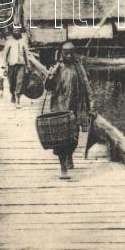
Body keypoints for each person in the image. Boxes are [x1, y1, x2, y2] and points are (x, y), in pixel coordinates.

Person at [44, 41, 94, 179]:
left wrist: (92, 104)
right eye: (66, 53)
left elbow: (87, 85)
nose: (69, 55)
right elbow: (48, 87)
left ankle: (69, 156)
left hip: (76, 108)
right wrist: (50, 76)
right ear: (61, 53)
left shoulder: (79, 67)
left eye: (71, 52)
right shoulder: (57, 68)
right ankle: (63, 168)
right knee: (61, 140)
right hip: (60, 108)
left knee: (74, 139)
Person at [3, 28, 29, 108]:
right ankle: (12, 94)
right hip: (11, 65)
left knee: (19, 82)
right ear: (13, 33)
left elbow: (26, 54)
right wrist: (5, 66)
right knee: (12, 83)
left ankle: (18, 100)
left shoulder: (23, 41)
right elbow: (5, 55)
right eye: (15, 31)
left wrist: (28, 66)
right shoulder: (9, 42)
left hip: (21, 64)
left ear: (20, 33)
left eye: (18, 31)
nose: (16, 33)